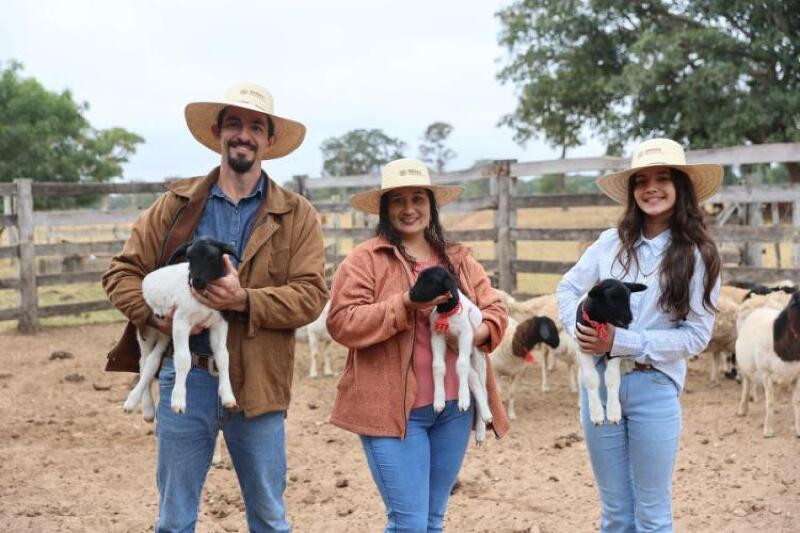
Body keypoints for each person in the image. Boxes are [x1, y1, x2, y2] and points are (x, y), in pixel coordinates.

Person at [102, 82, 327, 532]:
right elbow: (120, 274)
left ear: (269, 140)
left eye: (255, 127)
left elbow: (311, 295)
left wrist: (246, 300)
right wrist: (154, 314)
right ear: (218, 132)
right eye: (234, 124)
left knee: (268, 516)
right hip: (187, 376)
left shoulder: (297, 214)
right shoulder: (177, 205)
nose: (244, 135)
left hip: (260, 378)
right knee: (174, 518)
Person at [326, 157, 510, 532]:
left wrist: (477, 334)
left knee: (431, 520)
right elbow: (342, 322)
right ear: (385, 208)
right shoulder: (366, 261)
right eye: (397, 200)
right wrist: (404, 305)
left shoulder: (458, 258)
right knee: (408, 523)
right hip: (393, 411)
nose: (409, 209)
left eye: (417, 199)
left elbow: (495, 307)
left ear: (431, 205)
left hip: (454, 410)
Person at [556, 138, 721, 532]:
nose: (652, 187)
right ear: (632, 191)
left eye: (663, 178)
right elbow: (567, 288)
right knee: (615, 512)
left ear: (681, 187)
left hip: (654, 384)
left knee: (652, 513)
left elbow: (697, 335)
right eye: (641, 180)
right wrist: (579, 327)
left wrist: (622, 341)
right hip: (598, 386)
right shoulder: (610, 243)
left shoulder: (698, 255)